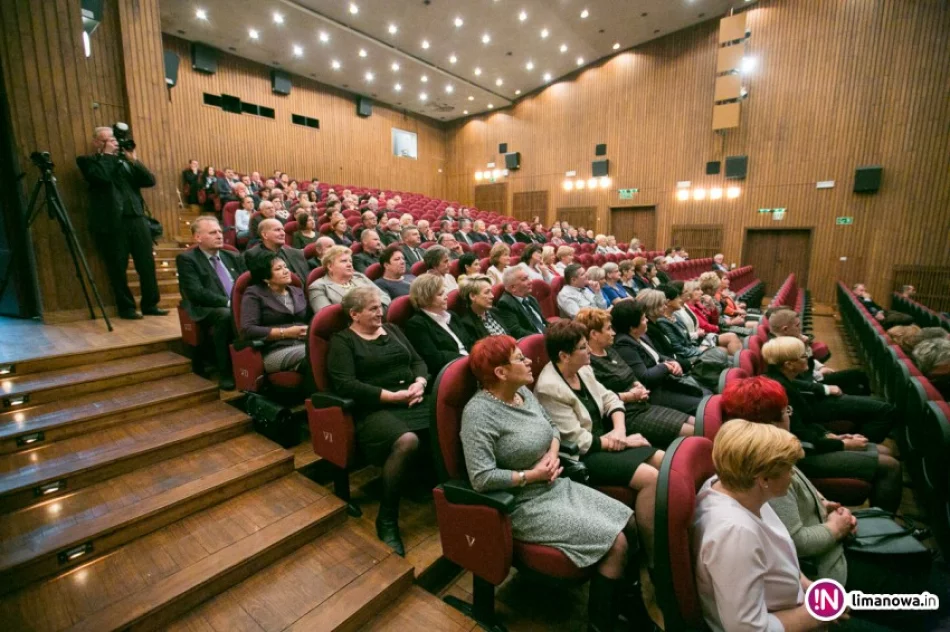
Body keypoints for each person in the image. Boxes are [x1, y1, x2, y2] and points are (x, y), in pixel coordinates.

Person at [723, 377, 944, 630]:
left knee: (924, 575)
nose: (790, 416)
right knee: (929, 596)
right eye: (787, 411)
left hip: (829, 553)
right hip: (827, 570)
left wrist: (824, 507)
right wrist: (836, 527)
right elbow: (797, 544)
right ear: (771, 420)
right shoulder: (768, 469)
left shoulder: (766, 452)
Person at [462, 335, 651, 631]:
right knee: (617, 544)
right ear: (500, 372)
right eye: (519, 358)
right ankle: (602, 624)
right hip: (520, 502)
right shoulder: (478, 414)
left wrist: (551, 455)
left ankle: (628, 608)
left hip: (554, 483)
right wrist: (530, 476)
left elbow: (551, 427)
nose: (529, 362)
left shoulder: (523, 392)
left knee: (628, 521)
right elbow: (481, 477)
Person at [533, 320, 664, 564]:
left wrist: (620, 430)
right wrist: (623, 443)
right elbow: (577, 440)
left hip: (608, 440)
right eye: (583, 347)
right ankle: (653, 555)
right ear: (564, 355)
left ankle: (666, 531)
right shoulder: (550, 388)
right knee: (651, 478)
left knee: (663, 461)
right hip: (584, 456)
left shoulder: (583, 368)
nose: (589, 351)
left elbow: (609, 399)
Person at [328, 287, 430, 556]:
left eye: (380, 306)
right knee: (407, 441)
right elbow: (345, 385)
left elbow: (418, 361)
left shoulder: (393, 330)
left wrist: (420, 383)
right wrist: (391, 397)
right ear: (354, 314)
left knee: (451, 418)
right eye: (373, 308)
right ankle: (387, 518)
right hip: (373, 409)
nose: (380, 312)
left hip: (411, 399)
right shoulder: (343, 341)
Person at [692, 420, 817, 632]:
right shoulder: (734, 535)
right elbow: (747, 628)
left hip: (795, 602)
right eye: (788, 469)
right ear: (764, 479)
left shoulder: (730, 485)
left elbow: (783, 562)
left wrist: (814, 591)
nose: (793, 474)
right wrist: (820, 613)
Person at [762, 337, 902, 512]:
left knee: (885, 451)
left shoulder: (784, 381)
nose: (808, 356)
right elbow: (798, 437)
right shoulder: (779, 390)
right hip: (800, 456)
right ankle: (884, 526)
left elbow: (806, 424)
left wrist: (831, 435)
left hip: (811, 444)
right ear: (789, 365)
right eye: (803, 355)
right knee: (891, 467)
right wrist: (842, 444)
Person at [76, 126, 166, 319]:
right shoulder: (88, 161)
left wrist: (134, 159)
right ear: (97, 143)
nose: (115, 142)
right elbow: (101, 178)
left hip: (138, 219)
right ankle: (126, 308)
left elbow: (149, 181)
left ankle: (150, 304)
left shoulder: (125, 162)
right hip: (114, 222)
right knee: (118, 267)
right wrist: (108, 156)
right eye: (109, 139)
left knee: (147, 265)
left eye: (114, 139)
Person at [576, 308, 695, 446]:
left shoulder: (610, 350)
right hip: (626, 416)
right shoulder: (588, 363)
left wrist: (637, 385)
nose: (613, 333)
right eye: (608, 329)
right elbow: (599, 399)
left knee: (695, 423)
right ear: (594, 334)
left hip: (643, 405)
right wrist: (632, 395)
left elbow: (631, 375)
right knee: (692, 432)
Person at [176, 217, 246, 389]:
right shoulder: (187, 259)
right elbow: (196, 292)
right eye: (213, 232)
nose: (219, 236)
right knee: (225, 315)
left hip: (235, 303)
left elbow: (247, 282)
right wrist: (229, 303)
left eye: (220, 232)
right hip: (205, 307)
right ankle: (225, 371)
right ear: (198, 237)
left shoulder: (233, 256)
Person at [611, 300, 703, 414]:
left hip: (667, 382)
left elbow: (658, 356)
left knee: (705, 393)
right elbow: (644, 378)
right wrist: (666, 367)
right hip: (656, 393)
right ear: (632, 328)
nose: (647, 320)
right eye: (643, 319)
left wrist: (673, 362)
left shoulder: (641, 335)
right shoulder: (623, 345)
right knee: (703, 405)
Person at [768, 308, 869, 395]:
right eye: (797, 326)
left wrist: (820, 367)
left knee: (857, 377)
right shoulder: (781, 348)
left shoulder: (790, 340)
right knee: (855, 388)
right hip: (810, 390)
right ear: (785, 329)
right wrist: (821, 380)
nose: (800, 329)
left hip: (813, 381)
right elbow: (799, 376)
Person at [240, 250, 308, 374]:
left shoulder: (297, 291)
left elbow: (312, 319)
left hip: (305, 343)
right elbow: (248, 330)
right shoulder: (254, 293)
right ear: (266, 277)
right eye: (278, 269)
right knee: (317, 354)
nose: (286, 271)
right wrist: (285, 333)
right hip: (275, 350)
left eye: (285, 267)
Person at [404, 274, 472, 375]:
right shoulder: (416, 325)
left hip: (470, 362)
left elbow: (469, 341)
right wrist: (468, 359)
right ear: (426, 298)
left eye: (444, 292)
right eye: (440, 294)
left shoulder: (452, 315)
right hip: (451, 371)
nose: (446, 296)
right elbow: (434, 359)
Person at [308, 245, 389, 313]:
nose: (349, 264)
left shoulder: (359, 277)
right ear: (330, 266)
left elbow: (385, 297)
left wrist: (374, 311)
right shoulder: (318, 287)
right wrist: (366, 312)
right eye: (344, 261)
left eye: (350, 261)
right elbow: (327, 315)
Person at [677, 281, 742, 354]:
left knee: (733, 341)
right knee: (732, 339)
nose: (701, 292)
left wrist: (712, 306)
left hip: (711, 333)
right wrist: (721, 326)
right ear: (689, 292)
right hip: (702, 337)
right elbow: (705, 326)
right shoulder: (688, 307)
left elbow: (714, 321)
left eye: (701, 289)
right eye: (697, 289)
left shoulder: (699, 304)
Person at [246, 218, 313, 284]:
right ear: (265, 235)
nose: (283, 233)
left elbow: (306, 282)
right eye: (277, 230)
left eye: (283, 230)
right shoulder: (254, 255)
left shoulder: (297, 253)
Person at [495, 266, 548, 338]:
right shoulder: (505, 303)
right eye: (524, 279)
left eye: (528, 277)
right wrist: (542, 337)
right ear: (513, 287)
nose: (530, 281)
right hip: (533, 342)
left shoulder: (531, 298)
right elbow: (516, 331)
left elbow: (543, 322)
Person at [455, 275, 509, 344]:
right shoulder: (468, 324)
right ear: (472, 296)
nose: (492, 296)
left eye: (491, 292)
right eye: (487, 292)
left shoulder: (494, 311)